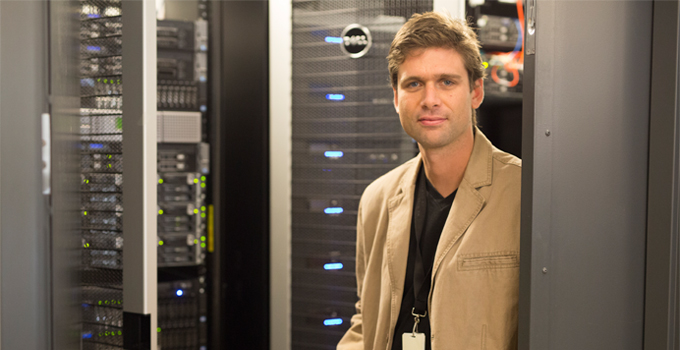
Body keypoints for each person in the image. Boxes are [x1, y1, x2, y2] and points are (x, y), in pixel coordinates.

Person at [337, 11, 521, 350]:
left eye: (447, 82)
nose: (430, 99)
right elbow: (366, 317)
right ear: (396, 97)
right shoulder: (377, 198)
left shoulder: (525, 194)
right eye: (414, 84)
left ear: (476, 92)